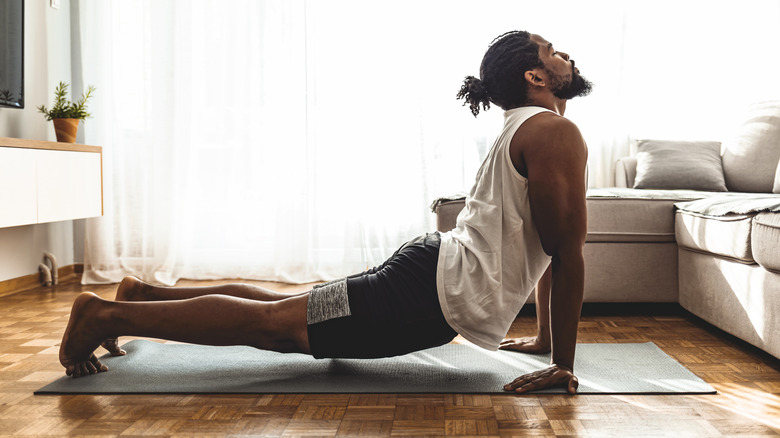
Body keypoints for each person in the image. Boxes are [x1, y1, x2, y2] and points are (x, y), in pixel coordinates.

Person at [59, 30, 592, 394]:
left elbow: (549, 247)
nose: (565, 54)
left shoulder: (530, 127)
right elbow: (566, 255)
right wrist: (561, 366)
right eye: (552, 50)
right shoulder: (552, 132)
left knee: (285, 308)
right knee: (275, 326)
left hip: (428, 277)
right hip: (427, 295)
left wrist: (546, 340)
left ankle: (142, 296)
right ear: (536, 78)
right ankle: (105, 315)